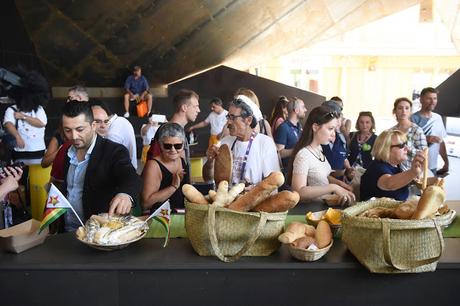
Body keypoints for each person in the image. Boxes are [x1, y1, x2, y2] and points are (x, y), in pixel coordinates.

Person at [58, 101, 141, 232]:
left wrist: (126, 194)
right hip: (67, 231)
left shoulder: (114, 151)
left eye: (80, 129)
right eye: (68, 130)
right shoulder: (66, 151)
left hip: (98, 233)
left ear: (93, 125)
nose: (74, 136)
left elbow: (130, 175)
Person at [203, 96, 280, 186]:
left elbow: (274, 183)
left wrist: (253, 190)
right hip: (227, 199)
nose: (228, 122)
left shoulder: (265, 143)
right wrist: (210, 162)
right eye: (228, 117)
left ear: (248, 120)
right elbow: (208, 179)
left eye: (233, 118)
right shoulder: (225, 143)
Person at [288, 106, 355, 206]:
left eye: (334, 130)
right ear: (315, 127)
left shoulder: (319, 149)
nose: (333, 134)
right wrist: (334, 187)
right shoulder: (304, 155)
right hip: (308, 212)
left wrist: (340, 184)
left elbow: (320, 175)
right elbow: (298, 191)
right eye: (330, 129)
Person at [360, 130, 424, 201]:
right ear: (386, 149)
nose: (407, 148)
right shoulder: (377, 168)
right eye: (401, 146)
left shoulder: (396, 165)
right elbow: (389, 184)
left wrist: (415, 175)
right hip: (372, 211)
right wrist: (412, 172)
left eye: (406, 144)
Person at [3, 69, 49, 165]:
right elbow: (8, 124)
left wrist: (23, 117)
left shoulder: (39, 109)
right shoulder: (12, 109)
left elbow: (41, 123)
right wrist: (17, 136)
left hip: (38, 151)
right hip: (19, 152)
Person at [146, 89, 200, 170]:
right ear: (184, 107)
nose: (198, 110)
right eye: (196, 106)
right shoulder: (167, 132)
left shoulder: (176, 131)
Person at [142, 123, 188, 212]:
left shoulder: (181, 160)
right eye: (167, 146)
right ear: (160, 145)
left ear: (183, 145)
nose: (173, 150)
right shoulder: (153, 166)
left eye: (178, 146)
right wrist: (173, 187)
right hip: (159, 219)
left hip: (180, 214)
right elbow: (146, 203)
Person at [411, 87, 449, 176]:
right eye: (429, 98)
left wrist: (446, 162)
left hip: (433, 166)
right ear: (421, 100)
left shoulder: (438, 118)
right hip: (416, 166)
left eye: (435, 98)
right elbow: (407, 142)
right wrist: (427, 138)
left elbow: (441, 142)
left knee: (432, 190)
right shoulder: (413, 119)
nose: (433, 101)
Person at [90, 100, 138, 170]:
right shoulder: (121, 120)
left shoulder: (112, 133)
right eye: (97, 121)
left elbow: (106, 162)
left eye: (105, 121)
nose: (103, 125)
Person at [321, 100, 354, 182]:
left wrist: (349, 169)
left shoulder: (341, 137)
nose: (340, 121)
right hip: (322, 184)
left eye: (340, 117)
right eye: (337, 117)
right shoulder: (318, 138)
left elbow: (344, 157)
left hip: (339, 183)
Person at [390, 97, 427, 171]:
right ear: (395, 111)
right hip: (393, 172)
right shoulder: (391, 131)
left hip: (411, 173)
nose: (404, 111)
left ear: (410, 111)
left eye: (407, 108)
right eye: (400, 108)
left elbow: (424, 154)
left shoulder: (417, 130)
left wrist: (406, 148)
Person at [274, 97, 307, 171]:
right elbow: (279, 154)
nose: (305, 110)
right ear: (296, 110)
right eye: (303, 107)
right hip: (287, 172)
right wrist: (297, 149)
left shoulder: (299, 126)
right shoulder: (283, 127)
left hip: (299, 169)